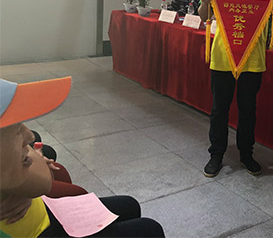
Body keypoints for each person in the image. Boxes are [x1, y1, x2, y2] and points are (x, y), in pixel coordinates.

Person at [0, 77, 165, 237]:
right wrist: (28, 176)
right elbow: (42, 180)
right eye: (16, 130)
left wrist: (24, 182)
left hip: (44, 213)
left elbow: (41, 178)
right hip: (41, 231)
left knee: (129, 205)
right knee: (149, 229)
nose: (29, 136)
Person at [199, 0, 273, 178]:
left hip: (253, 57)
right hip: (222, 54)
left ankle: (246, 153)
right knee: (219, 109)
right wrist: (205, 1)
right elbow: (205, 16)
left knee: (248, 109)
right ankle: (216, 154)